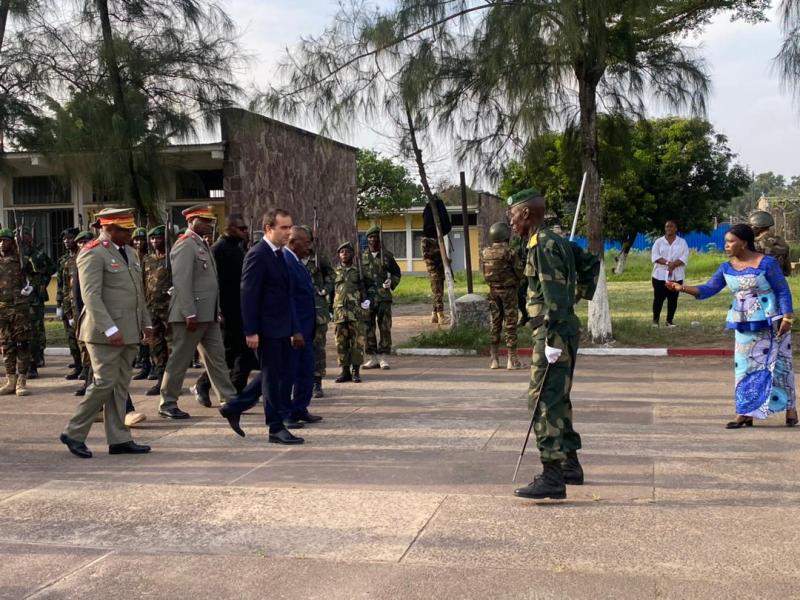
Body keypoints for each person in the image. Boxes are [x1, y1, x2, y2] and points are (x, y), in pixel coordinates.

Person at [667, 223, 797, 428]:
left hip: (772, 322)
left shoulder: (767, 263)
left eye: (730, 241)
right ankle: (745, 412)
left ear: (744, 243)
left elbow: (782, 290)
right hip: (743, 323)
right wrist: (681, 288)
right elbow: (709, 289)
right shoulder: (726, 268)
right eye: (726, 242)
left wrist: (788, 317)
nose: (726, 245)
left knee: (779, 365)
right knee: (744, 367)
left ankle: (790, 408)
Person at [507, 188, 584, 501]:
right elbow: (590, 264)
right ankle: (570, 465)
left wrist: (552, 336)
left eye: (512, 214)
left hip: (552, 333)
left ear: (526, 213)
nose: (510, 221)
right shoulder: (558, 241)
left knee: (543, 402)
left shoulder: (542, 244)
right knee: (558, 398)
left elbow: (553, 295)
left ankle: (552, 475)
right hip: (562, 330)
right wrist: (577, 297)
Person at [59, 208, 153, 459]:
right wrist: (110, 328)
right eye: (125, 230)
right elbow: (91, 296)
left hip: (130, 329)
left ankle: (119, 438)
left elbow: (138, 293)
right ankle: (74, 432)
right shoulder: (92, 252)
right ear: (109, 228)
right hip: (103, 332)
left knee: (120, 385)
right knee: (103, 383)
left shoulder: (131, 253)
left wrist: (146, 323)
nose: (130, 234)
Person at [219, 207, 305, 444]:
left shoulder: (278, 254)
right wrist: (251, 330)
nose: (289, 232)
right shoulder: (258, 254)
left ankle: (234, 406)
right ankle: (275, 427)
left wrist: (295, 328)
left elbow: (286, 295)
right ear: (269, 228)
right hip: (266, 329)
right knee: (272, 379)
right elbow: (248, 294)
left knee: (275, 374)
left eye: (290, 227)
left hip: (282, 326)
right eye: (284, 228)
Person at [158, 205, 237, 419]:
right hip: (190, 315)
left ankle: (228, 399)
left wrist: (216, 310)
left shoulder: (201, 244)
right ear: (192, 221)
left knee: (217, 358)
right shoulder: (185, 245)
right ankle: (168, 403)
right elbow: (182, 283)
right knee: (180, 361)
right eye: (205, 221)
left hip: (207, 314)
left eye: (211, 221)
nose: (210, 225)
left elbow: (211, 284)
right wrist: (189, 312)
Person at [192, 214, 256, 406]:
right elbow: (213, 283)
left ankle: (235, 392)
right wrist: (217, 310)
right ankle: (203, 384)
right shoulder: (218, 250)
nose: (245, 232)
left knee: (244, 353)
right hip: (226, 311)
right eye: (241, 228)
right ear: (229, 228)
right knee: (228, 354)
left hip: (240, 309)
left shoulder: (237, 249)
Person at [284, 226, 323, 426]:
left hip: (307, 329)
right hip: (295, 330)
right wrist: (294, 329)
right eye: (306, 243)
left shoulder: (298, 262)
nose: (309, 247)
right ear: (293, 242)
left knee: (306, 371)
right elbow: (288, 299)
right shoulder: (286, 261)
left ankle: (300, 408)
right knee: (289, 373)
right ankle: (286, 414)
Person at [482, 222, 525, 370]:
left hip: (493, 291)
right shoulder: (509, 252)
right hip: (509, 292)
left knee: (495, 323)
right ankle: (512, 360)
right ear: (506, 236)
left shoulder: (485, 252)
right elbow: (520, 271)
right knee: (511, 324)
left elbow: (484, 273)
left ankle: (494, 359)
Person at [333, 241, 374, 384]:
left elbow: (371, 287)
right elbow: (331, 292)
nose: (345, 254)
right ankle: (344, 371)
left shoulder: (359, 272)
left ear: (353, 255)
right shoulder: (334, 272)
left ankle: (355, 371)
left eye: (348, 252)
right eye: (342, 252)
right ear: (338, 255)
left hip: (356, 313)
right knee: (341, 343)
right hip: (339, 313)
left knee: (357, 342)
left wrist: (368, 300)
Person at [361, 226, 402, 370]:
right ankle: (372, 357)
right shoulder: (361, 257)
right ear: (367, 239)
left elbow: (397, 273)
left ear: (380, 238)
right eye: (371, 237)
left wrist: (392, 282)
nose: (373, 239)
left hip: (384, 297)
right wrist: (360, 296)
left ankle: (383, 357)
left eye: (376, 236)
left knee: (385, 327)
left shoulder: (387, 256)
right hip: (368, 298)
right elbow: (357, 278)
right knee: (367, 327)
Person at [19, 226, 57, 377]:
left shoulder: (38, 254)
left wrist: (42, 281)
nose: (23, 238)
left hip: (35, 297)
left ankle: (37, 357)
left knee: (36, 328)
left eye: (25, 235)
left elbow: (52, 268)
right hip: (18, 298)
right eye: (20, 236)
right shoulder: (15, 255)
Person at [0, 228, 33, 397]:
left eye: (5, 240)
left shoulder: (20, 259)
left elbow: (35, 276)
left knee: (22, 344)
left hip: (19, 308)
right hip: (2, 309)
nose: (1, 244)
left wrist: (30, 287)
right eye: (0, 241)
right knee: (6, 345)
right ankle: (10, 380)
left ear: (11, 242)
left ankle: (21, 381)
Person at [304, 230, 335, 398]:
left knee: (318, 346)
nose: (306, 244)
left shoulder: (319, 257)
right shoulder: (291, 257)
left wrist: (326, 289)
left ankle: (317, 381)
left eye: (309, 240)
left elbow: (332, 274)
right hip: (300, 309)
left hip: (318, 309)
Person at [141, 225, 171, 396]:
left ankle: (171, 383)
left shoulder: (172, 257)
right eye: (152, 238)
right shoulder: (147, 259)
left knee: (172, 346)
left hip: (169, 309)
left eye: (158, 238)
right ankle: (160, 381)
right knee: (156, 346)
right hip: (151, 308)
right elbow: (143, 283)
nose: (154, 241)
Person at [650, 220, 689, 328]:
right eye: (667, 227)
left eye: (671, 226)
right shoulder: (658, 242)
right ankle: (655, 321)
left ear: (676, 229)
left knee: (673, 299)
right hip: (659, 276)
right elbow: (655, 257)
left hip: (676, 276)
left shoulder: (682, 242)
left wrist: (673, 265)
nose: (669, 229)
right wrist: (668, 263)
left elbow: (684, 257)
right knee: (658, 298)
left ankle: (669, 321)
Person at [56, 227, 83, 380]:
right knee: (71, 338)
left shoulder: (83, 257)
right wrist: (59, 304)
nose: (67, 241)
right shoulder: (64, 260)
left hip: (80, 304)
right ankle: (77, 365)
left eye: (70, 238)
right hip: (68, 305)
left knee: (82, 339)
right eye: (65, 239)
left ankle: (86, 369)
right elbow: (61, 284)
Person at [71, 231, 95, 397]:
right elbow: (76, 293)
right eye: (79, 243)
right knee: (85, 352)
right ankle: (87, 383)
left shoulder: (94, 259)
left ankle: (91, 387)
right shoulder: (76, 262)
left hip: (97, 315)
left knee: (96, 357)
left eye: (85, 242)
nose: (82, 245)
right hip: (83, 314)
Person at [421, 196, 451, 325]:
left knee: (437, 291)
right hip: (434, 269)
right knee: (438, 291)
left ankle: (434, 314)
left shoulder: (433, 240)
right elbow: (430, 256)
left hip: (437, 268)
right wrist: (444, 258)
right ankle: (441, 314)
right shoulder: (427, 241)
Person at [131, 227, 152, 380]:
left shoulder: (149, 258)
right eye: (136, 239)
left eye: (141, 239)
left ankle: (154, 366)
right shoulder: (130, 255)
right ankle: (144, 364)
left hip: (150, 301)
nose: (138, 242)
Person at [750, 210, 791, 276]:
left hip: (760, 282)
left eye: (752, 226)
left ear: (758, 228)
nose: (751, 228)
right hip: (778, 281)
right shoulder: (782, 243)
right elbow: (787, 271)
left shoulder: (755, 244)